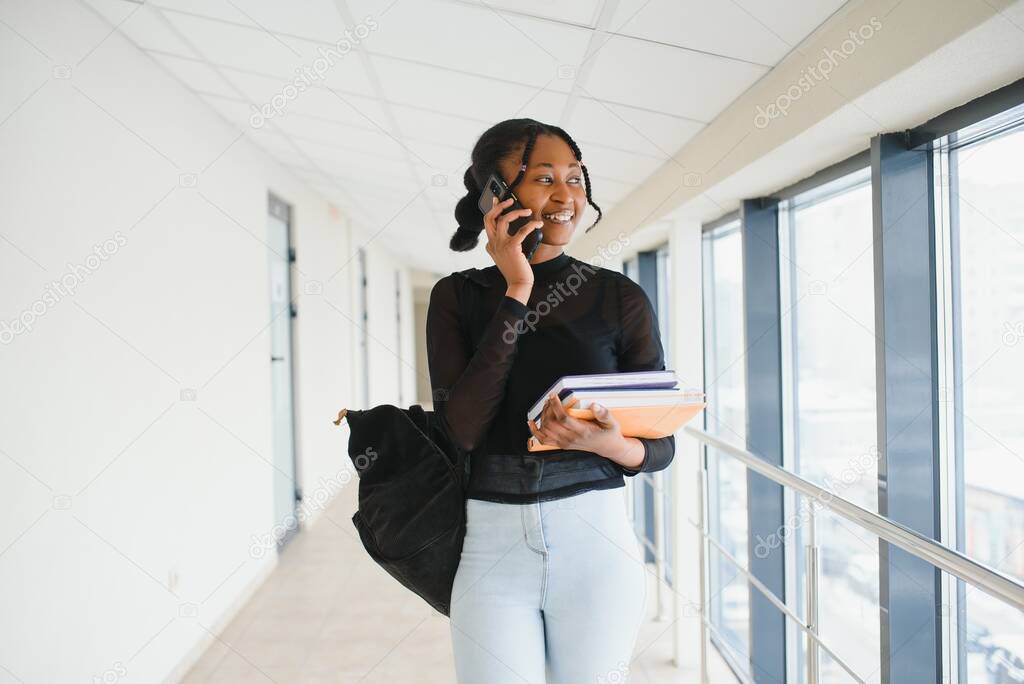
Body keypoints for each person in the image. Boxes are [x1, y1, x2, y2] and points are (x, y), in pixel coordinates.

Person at [427, 118, 675, 683]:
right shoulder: (456, 297)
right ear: (498, 195)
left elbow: (661, 447)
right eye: (544, 178)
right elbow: (461, 430)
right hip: (490, 548)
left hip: (596, 546)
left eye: (576, 177)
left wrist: (612, 444)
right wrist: (516, 292)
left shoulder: (620, 297)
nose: (568, 196)